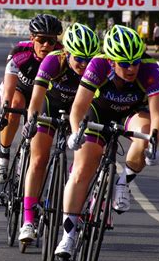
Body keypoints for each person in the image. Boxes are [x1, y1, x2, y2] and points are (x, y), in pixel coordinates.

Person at [54, 25, 159, 260]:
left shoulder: (150, 69)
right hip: (99, 112)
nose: (131, 68)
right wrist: (75, 133)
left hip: (132, 113)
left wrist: (154, 145)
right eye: (124, 63)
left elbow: (157, 118)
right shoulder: (98, 64)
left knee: (144, 132)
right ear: (111, 60)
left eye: (135, 61)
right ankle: (68, 236)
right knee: (83, 168)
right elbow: (78, 108)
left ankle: (123, 182)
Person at [18, 23, 101, 242]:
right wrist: (31, 121)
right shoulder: (53, 60)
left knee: (82, 161)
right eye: (79, 59)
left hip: (80, 111)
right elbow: (36, 98)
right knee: (38, 159)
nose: (84, 65)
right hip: (50, 107)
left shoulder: (97, 66)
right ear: (67, 52)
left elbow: (100, 104)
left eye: (89, 59)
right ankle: (28, 220)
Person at [0, 14, 63, 184]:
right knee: (15, 106)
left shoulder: (61, 56)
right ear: (32, 38)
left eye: (51, 41)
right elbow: (9, 88)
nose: (46, 45)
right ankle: (3, 155)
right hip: (19, 89)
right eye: (41, 39)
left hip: (43, 94)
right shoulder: (20, 52)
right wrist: (5, 110)